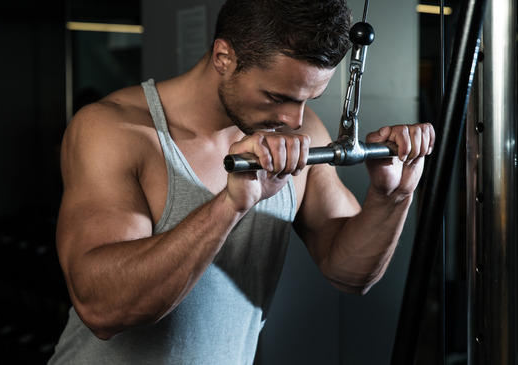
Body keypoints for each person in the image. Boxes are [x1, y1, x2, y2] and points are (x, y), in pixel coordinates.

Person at [48, 0, 435, 363]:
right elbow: (101, 308)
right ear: (223, 57)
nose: (295, 120)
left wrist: (392, 195)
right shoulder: (114, 130)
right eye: (276, 96)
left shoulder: (303, 134)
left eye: (308, 99)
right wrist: (230, 205)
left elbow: (350, 273)